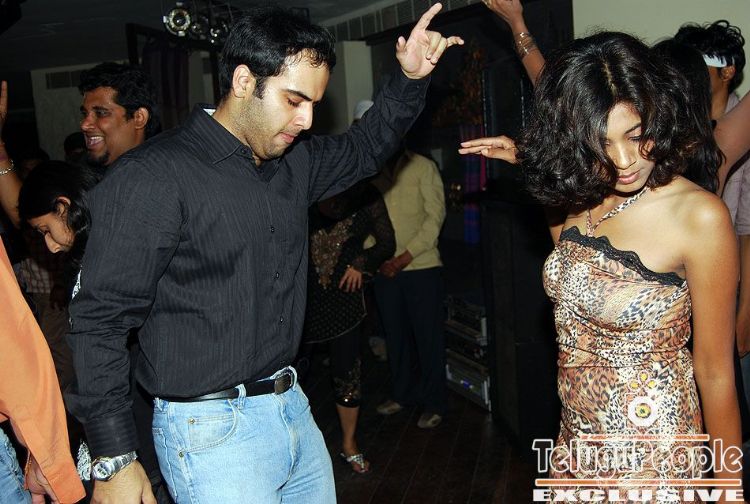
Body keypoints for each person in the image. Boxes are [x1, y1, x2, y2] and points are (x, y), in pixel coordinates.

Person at [66, 4, 462, 503]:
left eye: (314, 103)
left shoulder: (294, 161)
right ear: (243, 81)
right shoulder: (154, 175)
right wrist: (115, 458)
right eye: (294, 99)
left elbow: (364, 149)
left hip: (291, 405)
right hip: (209, 432)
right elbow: (99, 320)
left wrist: (409, 80)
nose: (306, 119)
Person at [464, 31, 743, 496]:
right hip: (577, 441)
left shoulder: (698, 217)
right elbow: (571, 262)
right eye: (603, 143)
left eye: (636, 135)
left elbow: (715, 372)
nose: (625, 161)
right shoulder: (580, 194)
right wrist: (530, 161)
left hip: (653, 454)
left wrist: (730, 492)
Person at [303, 180, 395, 473]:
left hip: (344, 301)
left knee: (347, 373)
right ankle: (294, 450)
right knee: (293, 376)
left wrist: (361, 262)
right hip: (302, 301)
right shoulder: (305, 186)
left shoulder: (366, 195)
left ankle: (349, 444)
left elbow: (387, 243)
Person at [0, 239, 85, 504]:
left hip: (53, 295)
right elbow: (10, 349)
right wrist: (48, 458)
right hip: (44, 297)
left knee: (62, 355)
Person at [373, 146, 447, 429]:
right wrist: (375, 258)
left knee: (428, 340)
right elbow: (370, 219)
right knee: (396, 338)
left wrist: (403, 258)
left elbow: (434, 218)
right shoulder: (374, 170)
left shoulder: (422, 166)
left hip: (421, 268)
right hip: (385, 270)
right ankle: (402, 395)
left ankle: (434, 404)